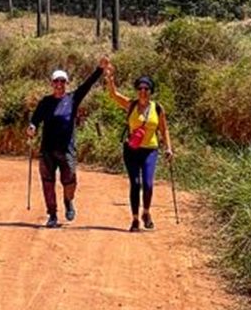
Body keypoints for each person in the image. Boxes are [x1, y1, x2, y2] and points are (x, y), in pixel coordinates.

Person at [27, 63, 104, 227]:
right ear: (52, 83)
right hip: (47, 150)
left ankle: (68, 201)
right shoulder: (45, 102)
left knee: (70, 181)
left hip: (66, 150)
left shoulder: (72, 98)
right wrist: (32, 127)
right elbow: (35, 119)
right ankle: (52, 214)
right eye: (56, 82)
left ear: (66, 83)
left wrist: (99, 69)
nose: (59, 85)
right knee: (48, 183)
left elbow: (87, 85)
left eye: (62, 81)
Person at [102, 59, 174, 232]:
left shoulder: (158, 108)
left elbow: (164, 130)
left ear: (150, 91)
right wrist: (110, 80)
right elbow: (114, 95)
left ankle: (146, 213)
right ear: (137, 90)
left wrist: (169, 148)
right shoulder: (131, 105)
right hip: (131, 150)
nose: (143, 91)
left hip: (150, 149)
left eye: (146, 89)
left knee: (148, 184)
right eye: (140, 88)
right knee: (135, 183)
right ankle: (135, 219)